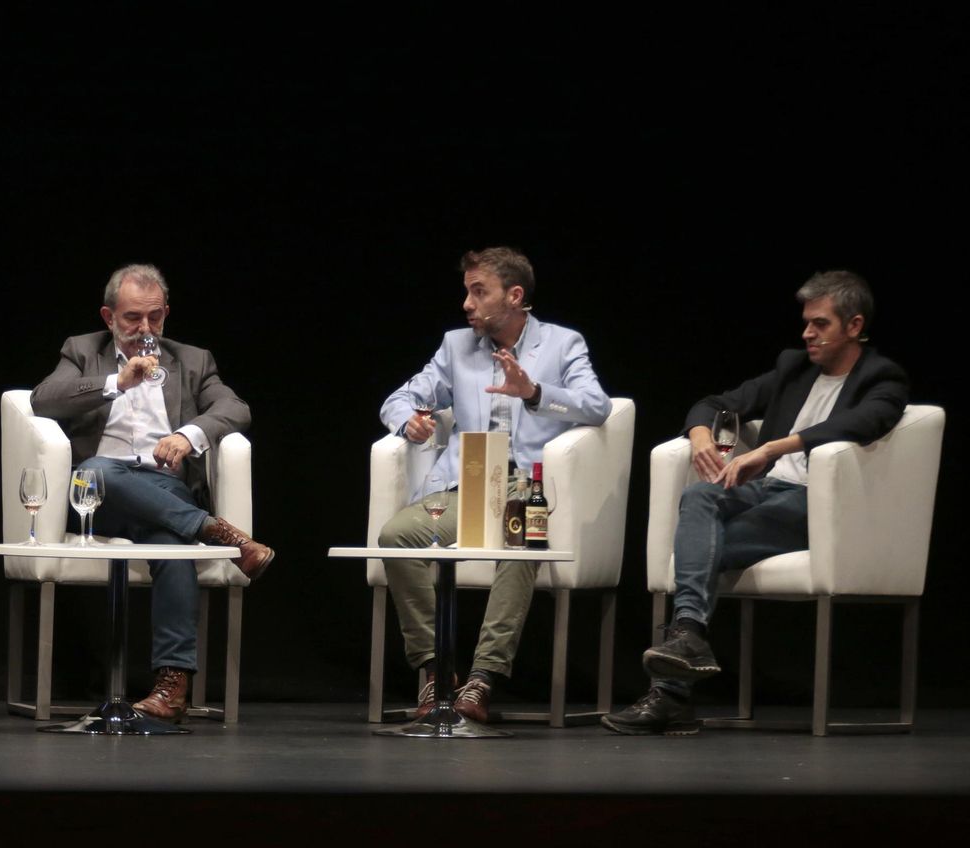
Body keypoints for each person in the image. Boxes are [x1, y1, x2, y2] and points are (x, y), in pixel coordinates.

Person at [603, 270, 908, 736]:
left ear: (854, 326)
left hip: (817, 504)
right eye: (806, 322)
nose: (807, 333)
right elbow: (715, 402)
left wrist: (770, 448)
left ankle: (670, 694)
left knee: (700, 549)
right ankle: (689, 638)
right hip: (767, 492)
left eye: (820, 324)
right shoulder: (795, 368)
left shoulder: (881, 376)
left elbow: (864, 422)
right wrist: (700, 436)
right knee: (699, 494)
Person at [30, 264, 274, 722]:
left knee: (171, 544)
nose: (145, 328)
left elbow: (234, 407)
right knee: (97, 469)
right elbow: (44, 399)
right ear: (108, 317)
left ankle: (171, 689)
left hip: (163, 488)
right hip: (95, 494)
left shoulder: (192, 360)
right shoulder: (82, 350)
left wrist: (189, 434)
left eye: (155, 317)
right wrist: (116, 383)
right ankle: (215, 531)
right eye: (132, 318)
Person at [378, 247, 611, 723]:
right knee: (396, 536)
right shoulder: (456, 346)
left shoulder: (563, 344)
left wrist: (534, 392)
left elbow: (597, 405)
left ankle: (482, 678)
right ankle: (436, 672)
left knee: (520, 537)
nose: (467, 303)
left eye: (479, 291)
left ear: (514, 295)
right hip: (465, 486)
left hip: (527, 488)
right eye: (467, 291)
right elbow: (400, 397)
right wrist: (408, 422)